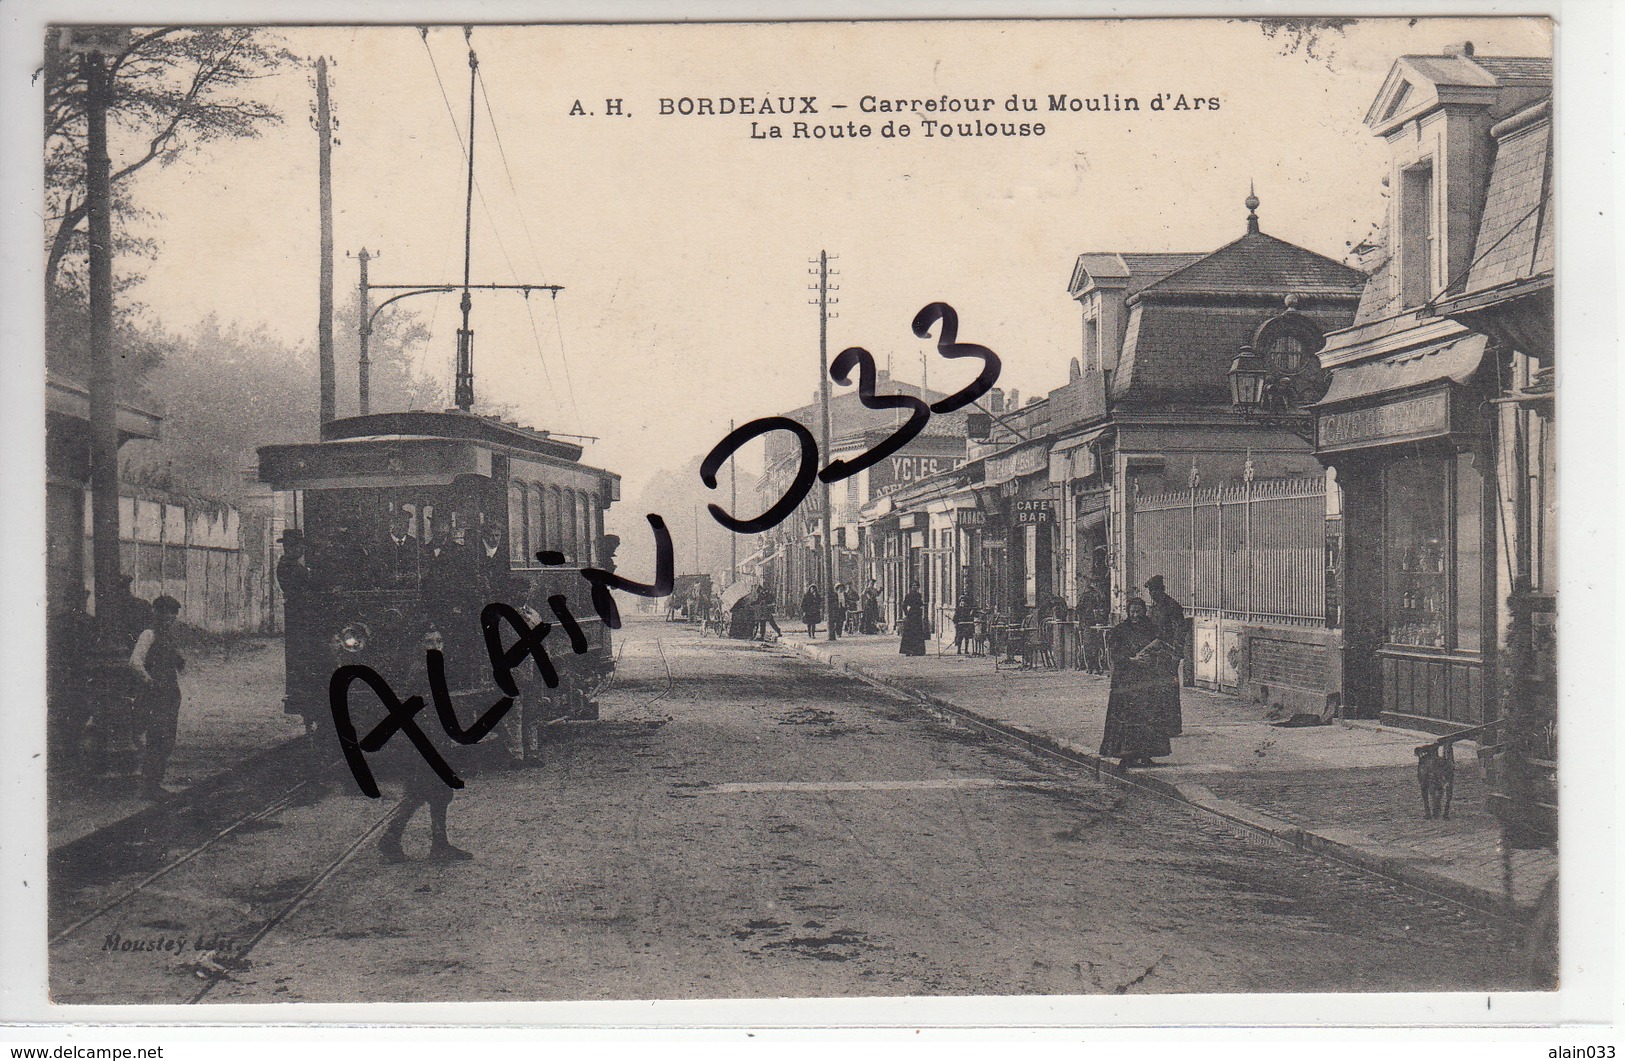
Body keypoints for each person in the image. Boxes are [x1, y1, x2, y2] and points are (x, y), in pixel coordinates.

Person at [376, 625, 475, 863]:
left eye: (439, 641)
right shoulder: (423, 670)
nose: (435, 646)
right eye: (429, 641)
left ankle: (433, 844)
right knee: (426, 791)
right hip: (425, 742)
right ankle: (395, 840)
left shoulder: (431, 667)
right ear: (422, 645)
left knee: (434, 792)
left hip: (431, 740)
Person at [1099, 598, 1174, 768]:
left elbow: (1163, 650)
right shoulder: (1120, 630)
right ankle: (1126, 755)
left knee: (1149, 717)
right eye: (1132, 612)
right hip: (1127, 681)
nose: (1135, 615)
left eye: (1138, 612)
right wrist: (1131, 659)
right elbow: (1115, 655)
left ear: (1144, 611)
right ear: (1127, 612)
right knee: (1127, 718)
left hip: (1147, 680)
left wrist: (1152, 658)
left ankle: (1147, 754)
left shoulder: (1153, 629)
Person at [129, 594, 185, 799]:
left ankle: (155, 783)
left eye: (173, 615)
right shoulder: (148, 635)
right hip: (154, 695)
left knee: (167, 739)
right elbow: (135, 662)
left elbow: (172, 660)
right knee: (156, 737)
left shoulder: (167, 636)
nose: (170, 618)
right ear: (157, 613)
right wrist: (149, 681)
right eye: (166, 614)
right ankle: (150, 785)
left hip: (169, 695)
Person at [1145, 574, 1187, 737]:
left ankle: (1173, 726)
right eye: (1150, 591)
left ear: (1161, 590)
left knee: (1169, 689)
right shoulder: (1153, 607)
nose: (1152, 594)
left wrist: (1177, 654)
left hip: (1168, 653)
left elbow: (1180, 631)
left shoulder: (1172, 606)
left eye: (1155, 590)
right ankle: (1159, 724)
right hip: (1154, 653)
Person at [1077, 579, 1109, 674]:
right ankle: (1097, 667)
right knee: (1097, 645)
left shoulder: (1087, 596)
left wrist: (1082, 621)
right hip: (1095, 623)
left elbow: (1078, 609)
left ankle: (1092, 667)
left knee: (1090, 646)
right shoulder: (1099, 596)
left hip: (1090, 623)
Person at [898, 585, 928, 656]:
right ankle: (908, 650)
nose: (915, 587)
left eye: (916, 586)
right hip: (911, 616)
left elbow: (920, 604)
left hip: (917, 615)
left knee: (917, 632)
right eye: (913, 586)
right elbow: (904, 605)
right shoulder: (908, 596)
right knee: (909, 633)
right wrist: (907, 613)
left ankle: (917, 651)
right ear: (911, 587)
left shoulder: (919, 595)